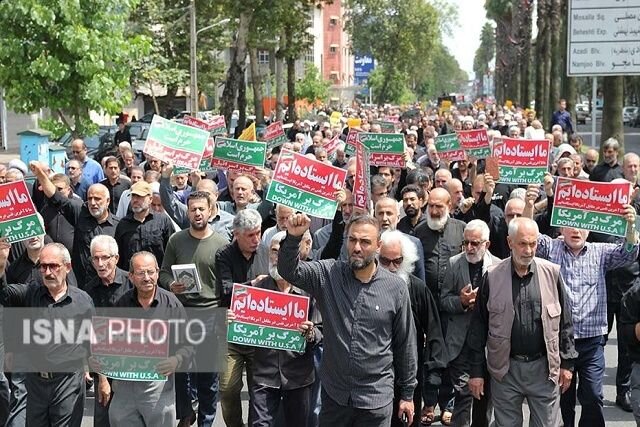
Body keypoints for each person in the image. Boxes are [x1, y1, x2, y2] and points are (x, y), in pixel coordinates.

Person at [278, 213, 418, 426]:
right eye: (352, 240)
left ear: (378, 245)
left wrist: (407, 394)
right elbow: (289, 270)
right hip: (335, 396)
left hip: (375, 398)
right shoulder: (328, 274)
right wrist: (293, 238)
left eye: (365, 242)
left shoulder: (395, 288)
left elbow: (405, 344)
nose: (357, 248)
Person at [533, 205, 639, 427]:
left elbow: (628, 252)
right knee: (564, 399)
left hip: (591, 342)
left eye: (582, 226)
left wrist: (630, 225)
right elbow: (529, 233)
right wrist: (529, 203)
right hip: (560, 342)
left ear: (589, 230)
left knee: (592, 395)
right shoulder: (552, 249)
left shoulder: (600, 252)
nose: (576, 231)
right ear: (561, 226)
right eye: (571, 224)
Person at [467, 218, 577, 427]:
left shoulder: (552, 273)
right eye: (522, 244)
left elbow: (566, 323)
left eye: (533, 244)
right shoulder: (492, 276)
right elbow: (478, 327)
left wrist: (567, 363)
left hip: (544, 370)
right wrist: (476, 372)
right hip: (505, 370)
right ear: (510, 243)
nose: (528, 250)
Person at [2, 243, 95, 427]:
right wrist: (1, 263)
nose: (48, 272)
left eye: (54, 266)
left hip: (68, 382)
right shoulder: (30, 293)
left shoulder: (82, 301)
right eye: (43, 266)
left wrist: (88, 368)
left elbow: (91, 339)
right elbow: (3, 293)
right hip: (35, 384)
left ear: (67, 267)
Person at [159, 191, 229, 426]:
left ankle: (206, 421)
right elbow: (164, 272)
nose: (197, 213)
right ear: (187, 212)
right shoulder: (176, 240)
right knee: (182, 372)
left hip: (211, 314)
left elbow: (227, 284)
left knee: (208, 377)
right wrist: (171, 284)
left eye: (201, 209)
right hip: (182, 312)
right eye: (193, 209)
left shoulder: (222, 244)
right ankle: (186, 415)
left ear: (210, 211)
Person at [243, 231, 321, 426]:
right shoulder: (257, 290)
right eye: (274, 251)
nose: (278, 257)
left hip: (298, 375)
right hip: (263, 374)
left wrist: (311, 333)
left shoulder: (309, 290)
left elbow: (322, 332)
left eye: (283, 252)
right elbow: (241, 329)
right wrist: (233, 321)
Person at [108, 251, 192, 427]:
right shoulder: (121, 304)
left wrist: (176, 360)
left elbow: (188, 344)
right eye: (140, 273)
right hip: (125, 384)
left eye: (151, 272)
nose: (146, 278)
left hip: (158, 384)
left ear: (158, 273)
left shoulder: (172, 303)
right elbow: (107, 344)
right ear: (131, 276)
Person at [378, 230, 445, 427]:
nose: (391, 268)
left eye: (397, 261)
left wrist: (431, 384)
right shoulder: (365, 288)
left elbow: (434, 334)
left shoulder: (417, 289)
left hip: (407, 378)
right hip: (375, 378)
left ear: (406, 260)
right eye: (385, 261)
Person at [440, 220, 499, 427]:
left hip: (488, 343)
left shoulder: (498, 267)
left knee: (484, 397)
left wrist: (485, 304)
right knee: (464, 393)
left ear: (487, 244)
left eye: (475, 243)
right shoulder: (455, 263)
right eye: (466, 243)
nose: (470, 248)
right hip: (461, 341)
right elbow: (443, 300)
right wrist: (461, 302)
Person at [215, 209, 269, 427]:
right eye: (250, 235)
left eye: (258, 233)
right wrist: (254, 285)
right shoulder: (224, 255)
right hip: (232, 330)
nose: (256, 239)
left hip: (259, 333)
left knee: (261, 390)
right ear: (236, 234)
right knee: (228, 388)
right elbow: (227, 290)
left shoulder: (265, 251)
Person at [30, 161, 120, 286]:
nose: (93, 203)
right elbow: (56, 197)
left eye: (98, 199)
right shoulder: (80, 213)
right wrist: (40, 174)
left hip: (108, 286)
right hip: (81, 284)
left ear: (108, 201)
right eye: (90, 199)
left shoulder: (118, 226)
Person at [84, 235, 132, 427]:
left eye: (105, 258)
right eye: (96, 258)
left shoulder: (133, 283)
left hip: (134, 363)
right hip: (103, 364)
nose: (100, 263)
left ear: (116, 258)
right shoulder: (88, 291)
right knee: (103, 418)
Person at [114, 181, 174, 270]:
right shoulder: (123, 224)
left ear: (150, 199)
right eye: (133, 196)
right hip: (131, 279)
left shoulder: (163, 221)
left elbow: (172, 252)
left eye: (139, 196)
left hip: (158, 278)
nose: (135, 200)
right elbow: (119, 257)